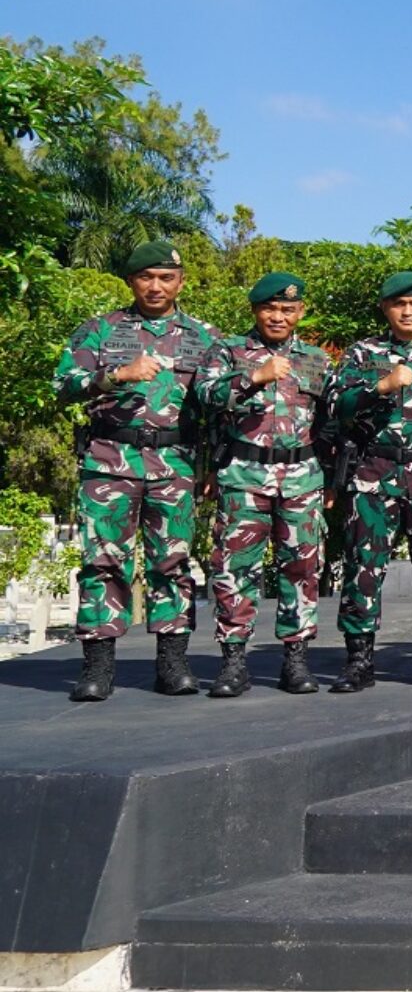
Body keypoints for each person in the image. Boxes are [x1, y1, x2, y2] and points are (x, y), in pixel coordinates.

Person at [55, 240, 218, 701]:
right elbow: (64, 386)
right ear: (131, 281)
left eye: (166, 277)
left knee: (174, 562)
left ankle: (173, 663)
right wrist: (116, 376)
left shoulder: (204, 337)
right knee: (103, 561)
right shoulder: (99, 331)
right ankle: (98, 667)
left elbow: (219, 407)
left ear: (180, 282)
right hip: (110, 461)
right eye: (146, 276)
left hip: (175, 464)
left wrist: (212, 465)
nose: (156, 286)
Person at [325, 271, 412, 691]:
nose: (408, 311)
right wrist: (380, 386)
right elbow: (337, 406)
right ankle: (358, 660)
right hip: (374, 473)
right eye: (398, 304)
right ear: (385, 308)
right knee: (363, 568)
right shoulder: (361, 354)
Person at [194, 271, 333, 697]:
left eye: (287, 309)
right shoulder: (229, 351)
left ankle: (296, 658)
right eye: (270, 308)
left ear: (300, 312)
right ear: (255, 310)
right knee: (236, 569)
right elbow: (203, 395)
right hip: (244, 476)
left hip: (302, 479)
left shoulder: (316, 359)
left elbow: (328, 424)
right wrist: (253, 376)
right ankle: (234, 661)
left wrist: (331, 481)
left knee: (303, 569)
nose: (278, 316)